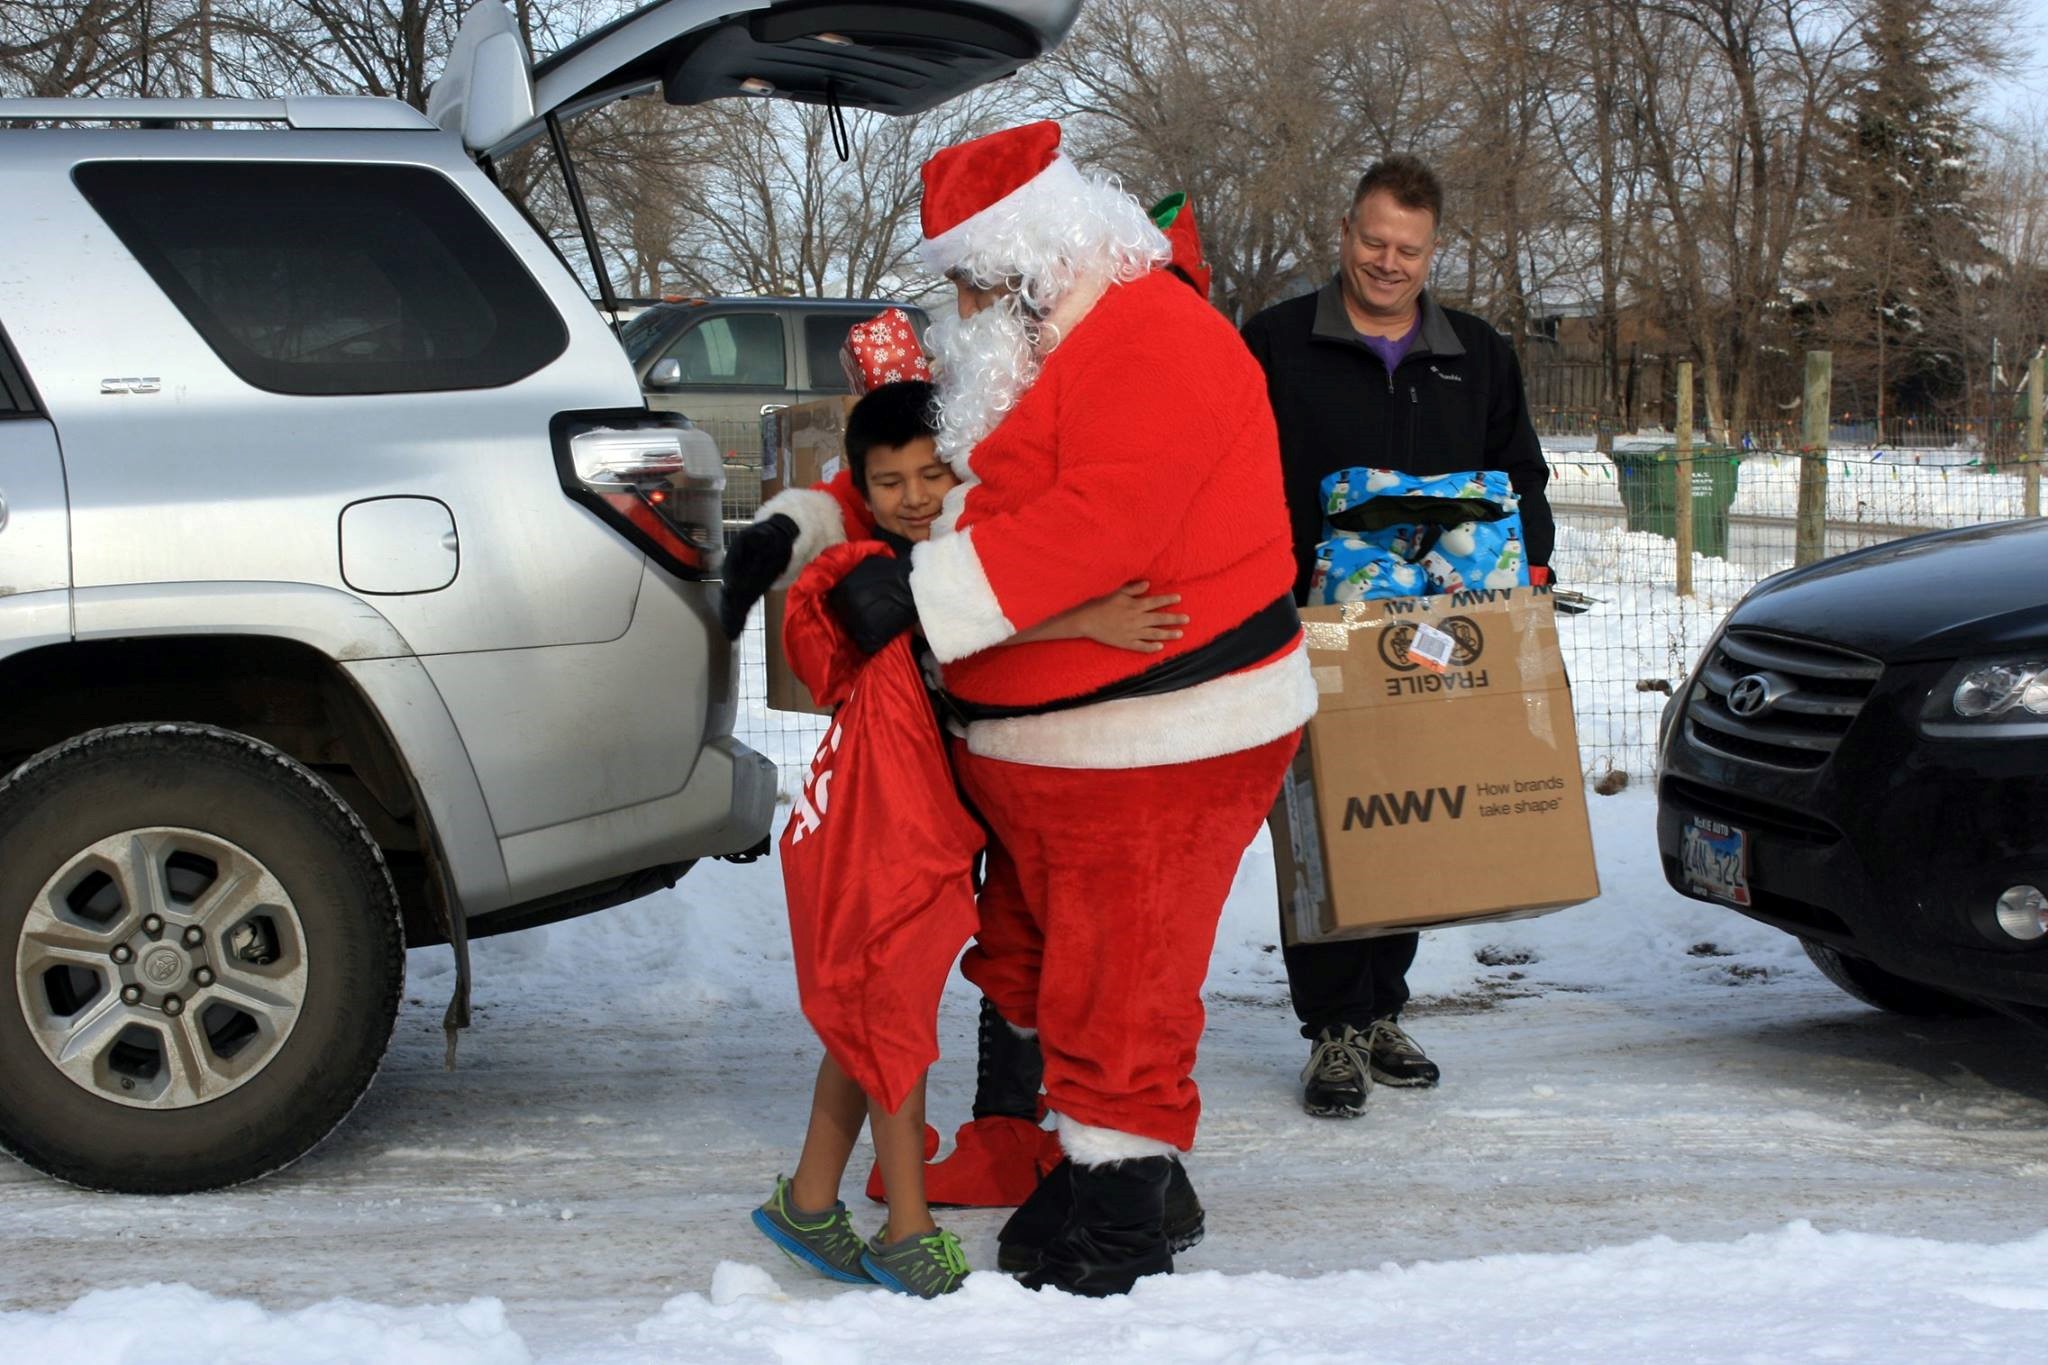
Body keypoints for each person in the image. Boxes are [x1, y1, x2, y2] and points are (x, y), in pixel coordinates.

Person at [825, 120, 1313, 1298]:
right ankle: (1134, 1180)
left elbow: (1100, 525)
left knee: (1120, 977)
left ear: (1027, 263)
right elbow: (997, 488)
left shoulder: (1154, 339)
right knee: (1059, 963)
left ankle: (1119, 1217)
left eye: (968, 282)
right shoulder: (1058, 345)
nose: (956, 310)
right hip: (1067, 747)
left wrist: (922, 594)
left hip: (1153, 740)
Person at [752, 378, 1189, 1298]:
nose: (914, 496)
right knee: (891, 1019)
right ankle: (907, 1233)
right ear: (861, 490)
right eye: (890, 482)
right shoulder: (875, 573)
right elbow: (945, 633)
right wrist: (1085, 621)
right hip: (886, 832)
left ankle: (809, 1199)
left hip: (909, 819)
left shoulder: (946, 545)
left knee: (868, 1014)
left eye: (931, 474)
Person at [1240, 154, 1554, 1119]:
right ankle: (1331, 1026)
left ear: (1433, 250)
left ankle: (1381, 1010)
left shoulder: (1477, 353)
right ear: (1345, 232)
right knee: (1322, 822)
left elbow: (1520, 476)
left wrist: (1529, 576)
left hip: (1437, 630)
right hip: (1308, 624)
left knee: (1414, 811)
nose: (1388, 262)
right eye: (1373, 241)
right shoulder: (1277, 343)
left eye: (1408, 249)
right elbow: (1234, 473)